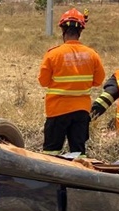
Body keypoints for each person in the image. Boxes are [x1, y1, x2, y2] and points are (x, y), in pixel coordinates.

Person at [38, 8, 105, 157]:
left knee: (51, 153)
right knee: (78, 153)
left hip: (57, 110)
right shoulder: (92, 54)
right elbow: (98, 81)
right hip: (81, 111)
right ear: (80, 31)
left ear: (63, 30)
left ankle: (50, 179)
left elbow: (43, 81)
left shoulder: (53, 54)